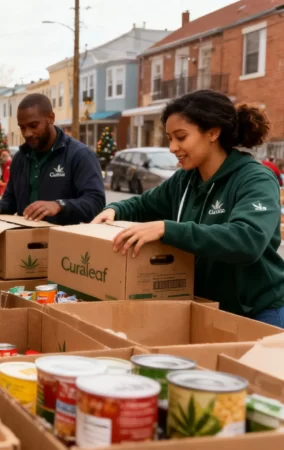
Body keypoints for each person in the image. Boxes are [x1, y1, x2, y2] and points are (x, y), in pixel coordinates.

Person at [92, 90, 284, 326]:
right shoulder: (185, 179)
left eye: (181, 137)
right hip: (208, 307)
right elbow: (143, 204)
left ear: (213, 132)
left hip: (259, 310)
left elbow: (248, 240)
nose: (172, 147)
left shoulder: (255, 178)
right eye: (169, 138)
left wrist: (168, 229)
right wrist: (115, 210)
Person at [0, 94, 105, 224]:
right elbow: (10, 198)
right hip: (24, 240)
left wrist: (59, 205)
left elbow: (95, 202)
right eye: (22, 127)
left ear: (50, 118)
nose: (27, 133)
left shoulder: (80, 155)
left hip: (66, 240)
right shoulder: (20, 158)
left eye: (33, 125)